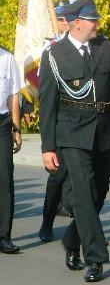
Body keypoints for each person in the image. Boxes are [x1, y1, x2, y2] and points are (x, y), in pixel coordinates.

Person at [39, 0, 110, 282]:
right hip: (71, 133)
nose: (97, 24)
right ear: (77, 23)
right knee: (82, 193)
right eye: (92, 20)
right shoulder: (55, 54)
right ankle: (95, 258)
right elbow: (47, 103)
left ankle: (72, 238)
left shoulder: (105, 46)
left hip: (103, 131)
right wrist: (48, 147)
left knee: (98, 192)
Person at [39, 0, 74, 243]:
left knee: (85, 182)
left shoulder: (86, 46)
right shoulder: (51, 49)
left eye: (66, 19)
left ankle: (84, 230)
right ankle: (47, 222)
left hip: (82, 123)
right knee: (58, 177)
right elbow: (46, 91)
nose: (63, 23)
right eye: (60, 19)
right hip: (62, 122)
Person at [0, 48, 22, 254]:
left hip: (2, 124)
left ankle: (4, 236)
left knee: (5, 180)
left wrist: (17, 129)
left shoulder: (7, 59)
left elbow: (14, 95)